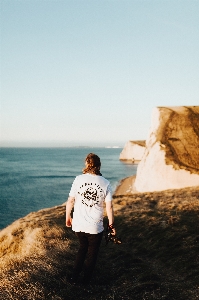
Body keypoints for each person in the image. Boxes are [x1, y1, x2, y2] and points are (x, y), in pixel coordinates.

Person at [66, 153, 116, 285]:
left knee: (82, 248)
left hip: (78, 224)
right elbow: (109, 207)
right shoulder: (106, 183)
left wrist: (68, 217)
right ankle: (86, 281)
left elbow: (70, 201)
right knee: (92, 253)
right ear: (99, 166)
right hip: (95, 226)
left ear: (87, 164)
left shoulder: (78, 179)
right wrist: (111, 226)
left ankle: (73, 278)